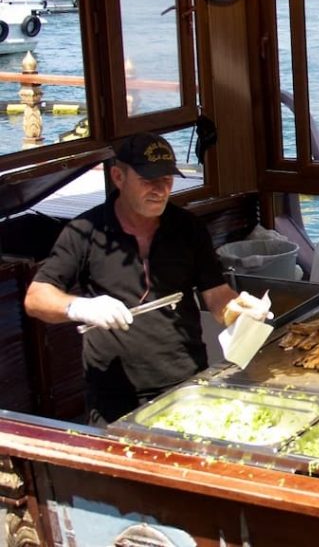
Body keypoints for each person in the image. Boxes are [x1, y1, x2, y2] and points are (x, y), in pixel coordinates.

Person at [24, 132, 264, 426]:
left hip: (184, 382)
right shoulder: (85, 231)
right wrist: (79, 307)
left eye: (167, 179)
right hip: (114, 391)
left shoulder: (188, 228)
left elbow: (216, 296)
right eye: (148, 179)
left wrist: (240, 311)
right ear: (118, 177)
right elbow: (36, 298)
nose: (160, 189)